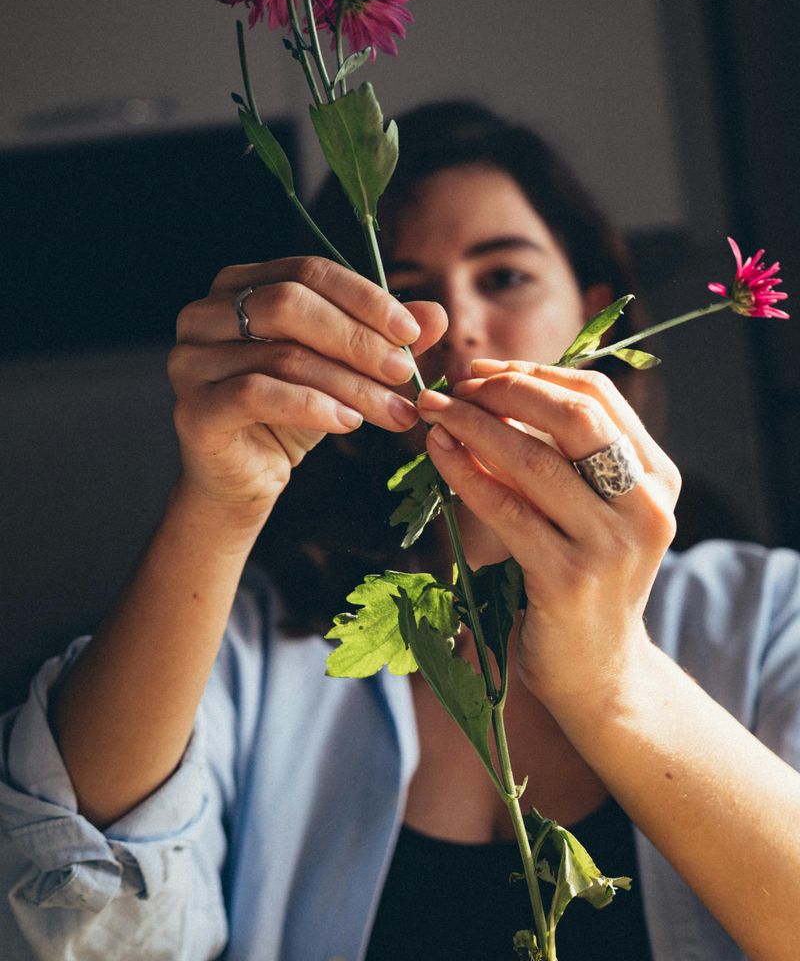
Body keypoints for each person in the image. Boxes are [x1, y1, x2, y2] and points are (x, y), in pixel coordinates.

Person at [1, 101, 798, 961]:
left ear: (593, 311)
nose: (458, 326)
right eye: (407, 290)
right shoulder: (261, 647)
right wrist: (218, 503)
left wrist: (612, 681)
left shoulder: (765, 616)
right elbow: (72, 917)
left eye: (505, 276)